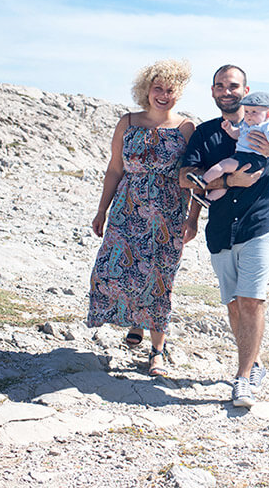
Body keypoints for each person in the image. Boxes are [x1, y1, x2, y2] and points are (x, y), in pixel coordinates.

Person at [180, 64, 269, 407]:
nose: (226, 90)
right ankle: (254, 361)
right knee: (233, 305)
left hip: (259, 224)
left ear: (245, 91)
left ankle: (243, 379)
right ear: (213, 91)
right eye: (219, 85)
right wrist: (228, 182)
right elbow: (186, 179)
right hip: (219, 230)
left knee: (251, 300)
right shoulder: (205, 133)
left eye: (233, 85)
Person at [88, 59, 199, 377]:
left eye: (170, 90)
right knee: (111, 271)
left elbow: (193, 177)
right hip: (126, 209)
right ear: (147, 89)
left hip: (167, 214)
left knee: (160, 279)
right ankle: (135, 319)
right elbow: (114, 169)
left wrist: (192, 220)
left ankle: (157, 352)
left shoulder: (185, 128)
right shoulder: (128, 122)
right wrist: (101, 209)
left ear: (179, 93)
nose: (163, 95)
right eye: (158, 88)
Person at [185, 91, 269, 207]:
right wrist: (229, 129)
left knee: (223, 165)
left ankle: (203, 180)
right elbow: (237, 134)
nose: (249, 115)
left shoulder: (266, 126)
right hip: (243, 156)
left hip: (253, 158)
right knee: (225, 184)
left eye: (254, 112)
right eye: (246, 111)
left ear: (267, 114)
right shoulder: (246, 126)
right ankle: (208, 200)